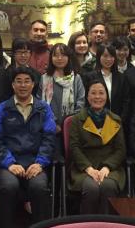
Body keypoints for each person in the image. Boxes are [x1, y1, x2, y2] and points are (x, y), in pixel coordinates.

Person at [0, 67, 56, 228]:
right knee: (8, 186)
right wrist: (9, 163)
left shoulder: (43, 108)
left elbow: (49, 139)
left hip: (35, 162)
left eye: (27, 81)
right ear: (12, 85)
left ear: (33, 84)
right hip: (8, 163)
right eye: (19, 81)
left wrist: (40, 163)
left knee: (39, 186)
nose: (23, 85)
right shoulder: (2, 108)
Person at [69, 79, 126, 214]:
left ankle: (106, 223)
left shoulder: (115, 119)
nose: (97, 97)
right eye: (93, 93)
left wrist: (107, 167)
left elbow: (120, 149)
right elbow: (74, 147)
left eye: (101, 93)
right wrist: (88, 168)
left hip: (110, 168)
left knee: (108, 186)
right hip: (84, 168)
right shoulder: (77, 119)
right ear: (87, 96)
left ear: (106, 96)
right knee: (91, 188)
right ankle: (87, 224)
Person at [40, 43, 85, 132]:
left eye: (63, 55)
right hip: (50, 126)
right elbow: (41, 102)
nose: (59, 58)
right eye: (56, 55)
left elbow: (81, 101)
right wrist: (53, 122)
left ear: (68, 57)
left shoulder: (76, 78)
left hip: (72, 126)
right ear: (51, 58)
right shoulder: (44, 78)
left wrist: (70, 121)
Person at [85, 44, 129, 117]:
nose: (108, 59)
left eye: (111, 56)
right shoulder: (90, 77)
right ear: (99, 57)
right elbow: (87, 101)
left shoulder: (121, 77)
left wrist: (121, 118)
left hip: (117, 118)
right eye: (105, 56)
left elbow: (126, 100)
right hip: (95, 118)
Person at [0, 37, 41, 104]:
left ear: (30, 53)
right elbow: (2, 98)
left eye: (26, 52)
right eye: (19, 52)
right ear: (13, 54)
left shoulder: (36, 74)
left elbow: (37, 98)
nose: (23, 55)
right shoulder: (5, 74)